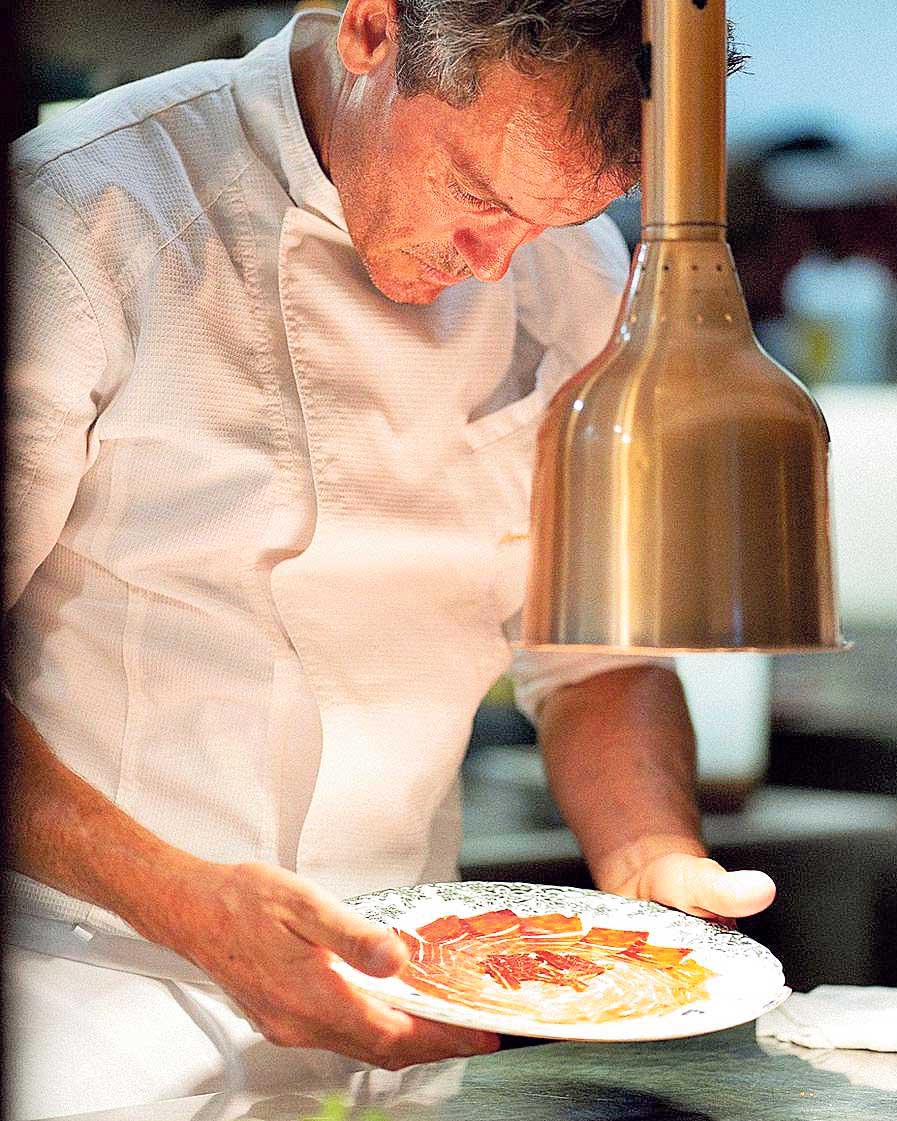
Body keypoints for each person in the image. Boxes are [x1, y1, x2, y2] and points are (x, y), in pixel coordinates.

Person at [4, 1, 776, 1116]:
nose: (495, 261)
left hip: (407, 1031)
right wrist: (187, 904)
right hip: (87, 1010)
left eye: (551, 221)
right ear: (371, 27)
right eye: (478, 196)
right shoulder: (76, 219)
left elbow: (594, 660)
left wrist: (653, 867)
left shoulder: (570, 264)